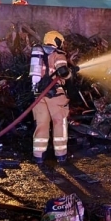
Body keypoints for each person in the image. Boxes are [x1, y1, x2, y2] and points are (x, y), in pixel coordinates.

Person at [30, 30, 78, 165]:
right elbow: (62, 72)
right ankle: (61, 155)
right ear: (57, 41)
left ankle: (38, 156)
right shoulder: (58, 54)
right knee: (59, 124)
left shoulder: (38, 54)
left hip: (38, 96)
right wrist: (71, 71)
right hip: (55, 95)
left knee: (41, 125)